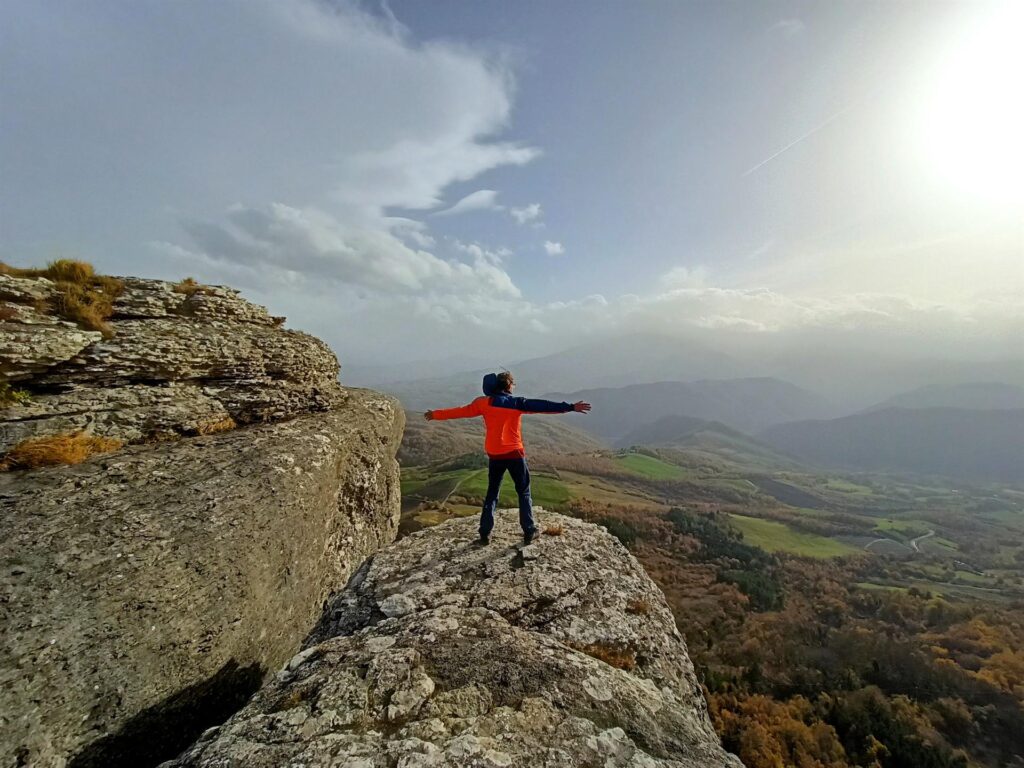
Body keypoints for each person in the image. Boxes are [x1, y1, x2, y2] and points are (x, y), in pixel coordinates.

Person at [424, 371, 591, 545]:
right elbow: (543, 406)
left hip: (495, 454)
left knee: (492, 493)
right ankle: (529, 530)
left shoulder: (482, 403)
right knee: (523, 491)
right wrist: (570, 406)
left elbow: (459, 412)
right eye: (513, 383)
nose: (514, 386)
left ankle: (485, 533)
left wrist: (435, 414)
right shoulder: (515, 403)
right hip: (514, 453)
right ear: (508, 385)